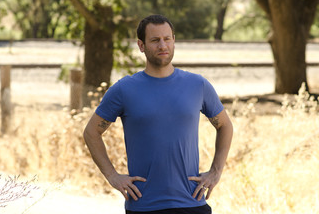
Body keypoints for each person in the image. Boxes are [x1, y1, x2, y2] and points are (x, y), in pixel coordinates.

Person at [83, 14, 233, 214]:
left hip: (192, 202)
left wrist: (215, 172)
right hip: (144, 206)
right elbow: (91, 132)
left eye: (167, 39)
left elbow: (225, 125)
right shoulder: (124, 90)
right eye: (155, 40)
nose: (163, 45)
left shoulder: (198, 85)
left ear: (173, 41)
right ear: (141, 45)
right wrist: (113, 176)